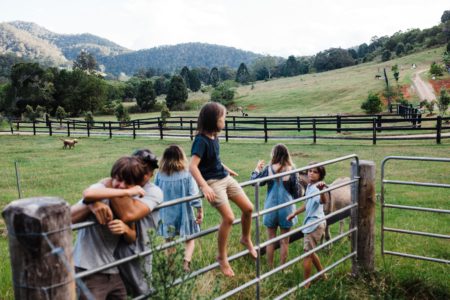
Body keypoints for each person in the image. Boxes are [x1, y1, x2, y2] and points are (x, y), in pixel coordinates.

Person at [72, 149, 163, 297]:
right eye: (119, 179)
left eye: (149, 171)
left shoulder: (147, 192)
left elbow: (129, 221)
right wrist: (92, 204)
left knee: (142, 291)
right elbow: (87, 195)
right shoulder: (106, 189)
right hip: (88, 267)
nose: (121, 185)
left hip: (113, 267)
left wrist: (125, 230)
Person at [189, 102, 257, 277]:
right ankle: (221, 257)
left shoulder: (215, 137)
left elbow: (213, 160)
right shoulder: (200, 141)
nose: (224, 120)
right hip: (212, 183)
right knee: (228, 217)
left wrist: (226, 169)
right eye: (222, 118)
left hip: (224, 177)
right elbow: (193, 166)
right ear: (213, 120)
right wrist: (204, 186)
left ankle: (245, 238)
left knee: (249, 208)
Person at [251, 144, 300, 268]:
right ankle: (283, 268)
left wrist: (257, 169)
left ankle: (270, 267)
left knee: (270, 239)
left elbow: (255, 182)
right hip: (287, 209)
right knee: (285, 241)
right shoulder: (292, 169)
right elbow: (297, 193)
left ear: (274, 155)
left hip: (271, 208)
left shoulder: (269, 169)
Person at [155, 144, 203, 272]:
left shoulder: (160, 175)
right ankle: (186, 263)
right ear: (182, 157)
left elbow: (156, 192)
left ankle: (170, 265)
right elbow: (194, 195)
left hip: (167, 213)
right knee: (190, 238)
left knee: (169, 239)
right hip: (184, 212)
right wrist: (199, 210)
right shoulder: (187, 174)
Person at [287, 163, 328, 288]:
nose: (311, 173)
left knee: (307, 254)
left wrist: (322, 192)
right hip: (314, 222)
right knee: (311, 252)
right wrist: (295, 213)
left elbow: (323, 201)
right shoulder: (310, 185)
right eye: (310, 171)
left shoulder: (317, 188)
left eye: (315, 172)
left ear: (320, 175)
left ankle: (306, 284)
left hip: (314, 224)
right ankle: (323, 275)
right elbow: (307, 204)